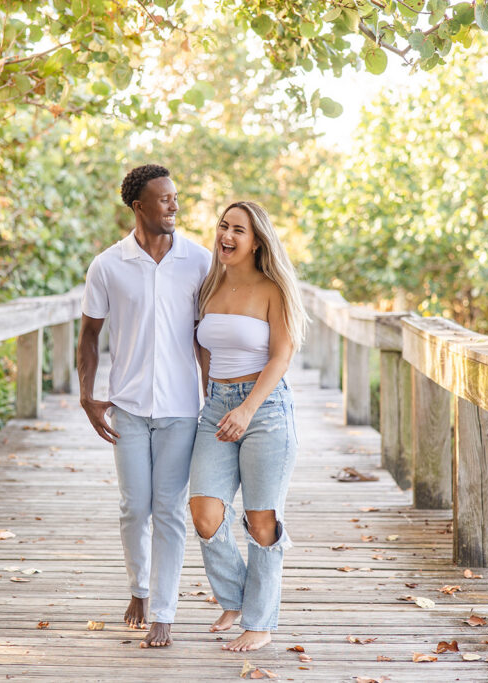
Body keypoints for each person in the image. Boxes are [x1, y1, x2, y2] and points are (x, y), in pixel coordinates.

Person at [77, 164, 211, 648]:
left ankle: (165, 611)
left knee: (170, 510)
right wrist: (86, 396)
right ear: (139, 207)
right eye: (164, 199)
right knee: (135, 508)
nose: (174, 205)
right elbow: (89, 335)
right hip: (129, 406)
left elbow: (204, 338)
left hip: (180, 409)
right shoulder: (107, 265)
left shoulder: (199, 261)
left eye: (176, 197)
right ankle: (138, 589)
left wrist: (211, 397)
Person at [188, 200, 306, 652]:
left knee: (262, 519)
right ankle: (236, 599)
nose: (228, 235)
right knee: (204, 512)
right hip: (216, 406)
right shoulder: (208, 287)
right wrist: (210, 397)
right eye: (223, 226)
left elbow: (281, 355)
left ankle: (259, 621)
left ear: (257, 241)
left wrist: (247, 409)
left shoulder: (273, 289)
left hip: (267, 409)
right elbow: (202, 345)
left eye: (239, 229)